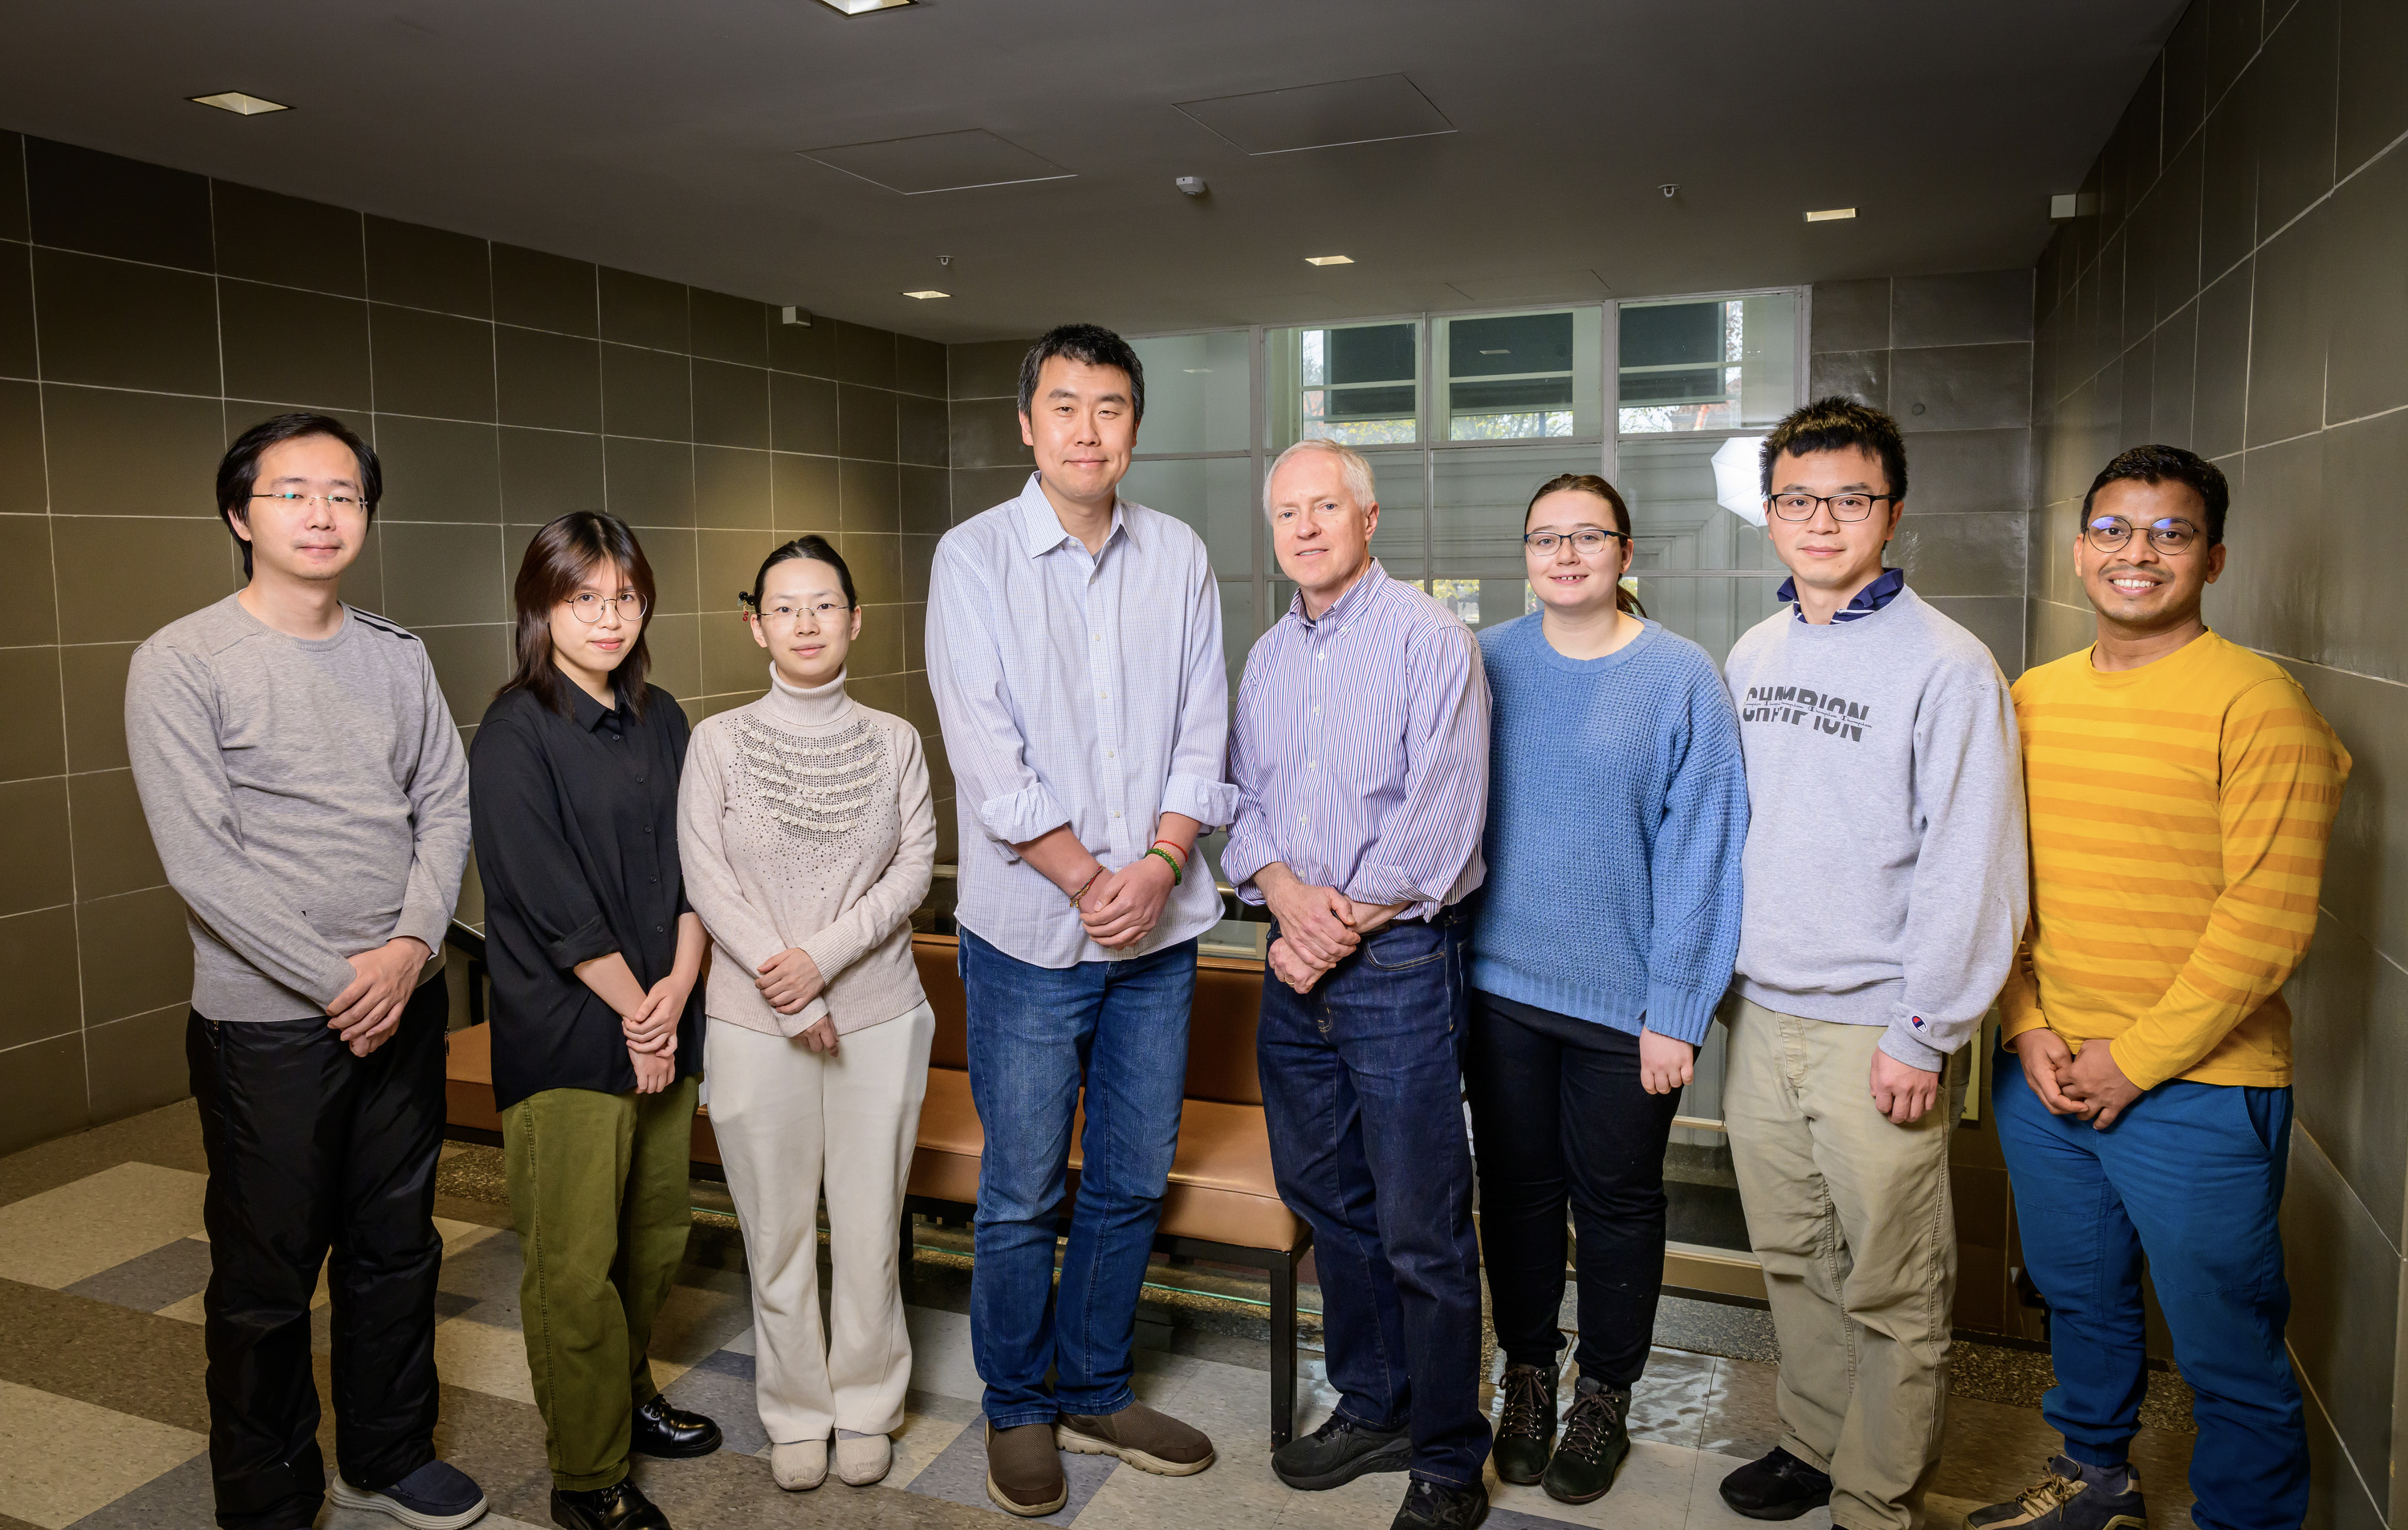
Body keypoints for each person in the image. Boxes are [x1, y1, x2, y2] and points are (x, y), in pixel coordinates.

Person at [1970, 446, 2348, 1530]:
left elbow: (2266, 926)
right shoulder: (2032, 699)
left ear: (2214, 557)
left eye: (2170, 532)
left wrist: (2132, 1061)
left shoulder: (2258, 703)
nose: (2138, 553)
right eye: (2115, 529)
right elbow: (2004, 884)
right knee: (2081, 1297)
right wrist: (2027, 1021)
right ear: (2081, 547)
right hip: (2046, 1074)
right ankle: (2096, 1483)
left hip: (2199, 1084)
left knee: (2227, 1339)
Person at [125, 413, 486, 1530]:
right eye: (292, 493)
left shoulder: (398, 652)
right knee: (266, 1277)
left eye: (344, 492)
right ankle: (269, 1488)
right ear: (241, 515)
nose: (322, 513)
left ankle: (385, 1449)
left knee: (397, 1244)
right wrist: (345, 980)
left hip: (403, 1002)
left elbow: (445, 802)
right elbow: (202, 860)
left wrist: (412, 948)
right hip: (268, 1028)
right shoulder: (182, 660)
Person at [925, 323, 1237, 1516]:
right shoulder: (974, 558)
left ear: (1135, 427)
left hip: (1158, 935)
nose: (1088, 429)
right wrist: (1082, 875)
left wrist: (1158, 864)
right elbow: (988, 750)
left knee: (1125, 1176)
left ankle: (1096, 1382)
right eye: (1065, 406)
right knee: (1020, 1189)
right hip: (1026, 935)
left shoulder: (1181, 554)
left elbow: (1205, 728)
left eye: (1111, 407)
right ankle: (1017, 1405)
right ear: (1027, 422)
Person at [1714, 398, 2027, 1530]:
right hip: (1761, 1012)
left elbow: (1974, 860)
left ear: (1892, 512)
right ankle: (1811, 1437)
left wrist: (1925, 1027)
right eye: (1800, 499)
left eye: (1851, 498)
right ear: (1771, 516)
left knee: (1894, 1279)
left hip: (1876, 1025)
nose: (1824, 520)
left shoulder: (1947, 663)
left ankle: (1874, 1493)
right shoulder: (1756, 651)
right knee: (1792, 1255)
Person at [1225, 437, 1492, 1530]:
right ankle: (1373, 1399)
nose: (1304, 528)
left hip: (1394, 967)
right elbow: (1239, 805)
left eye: (1324, 507)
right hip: (1292, 965)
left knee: (1423, 1222)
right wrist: (1287, 897)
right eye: (1286, 512)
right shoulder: (1267, 657)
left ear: (1368, 518)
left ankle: (1446, 1451)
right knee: (1329, 1202)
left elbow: (1441, 821)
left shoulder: (1432, 639)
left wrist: (1319, 931)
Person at [1469, 474, 1748, 1505]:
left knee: (1620, 1202)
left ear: (1627, 553)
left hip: (1626, 1010)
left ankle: (1606, 1394)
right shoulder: (1486, 661)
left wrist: (1676, 1009)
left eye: (1589, 536)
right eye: (1547, 537)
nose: (1567, 554)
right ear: (1527, 555)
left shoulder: (1682, 677)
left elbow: (1706, 853)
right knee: (1519, 1194)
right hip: (1498, 990)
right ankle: (1530, 1375)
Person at [468, 512, 721, 1530]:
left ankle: (627, 1394)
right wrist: (638, 1013)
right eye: (585, 598)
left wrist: (677, 991)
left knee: (654, 1239)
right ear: (543, 607)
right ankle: (586, 1475)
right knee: (573, 1265)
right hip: (573, 1035)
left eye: (625, 596)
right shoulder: (514, 731)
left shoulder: (665, 719)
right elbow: (546, 898)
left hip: (667, 1012)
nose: (609, 617)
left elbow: (704, 865)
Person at [677, 536, 936, 1494]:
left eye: (823, 605)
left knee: (869, 1226)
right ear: (756, 627)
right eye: (784, 608)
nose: (806, 624)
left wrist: (817, 968)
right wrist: (787, 994)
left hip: (877, 1012)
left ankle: (868, 1401)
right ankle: (795, 1410)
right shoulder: (717, 743)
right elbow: (707, 878)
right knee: (775, 1229)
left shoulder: (896, 739)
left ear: (855, 618)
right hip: (753, 1020)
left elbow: (912, 870)